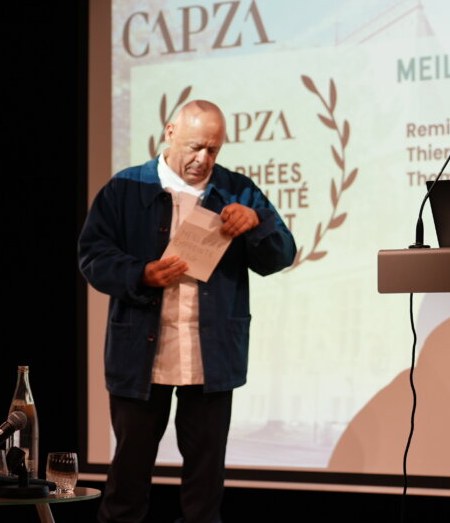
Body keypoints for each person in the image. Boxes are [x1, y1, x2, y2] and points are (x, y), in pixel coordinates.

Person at [79, 100, 296, 523]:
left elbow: (281, 256)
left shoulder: (237, 189)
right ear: (170, 132)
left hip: (210, 356)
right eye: (196, 147)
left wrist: (257, 222)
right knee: (127, 483)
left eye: (214, 149)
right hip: (141, 354)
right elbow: (92, 257)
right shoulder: (126, 188)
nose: (204, 159)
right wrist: (141, 273)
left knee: (205, 489)